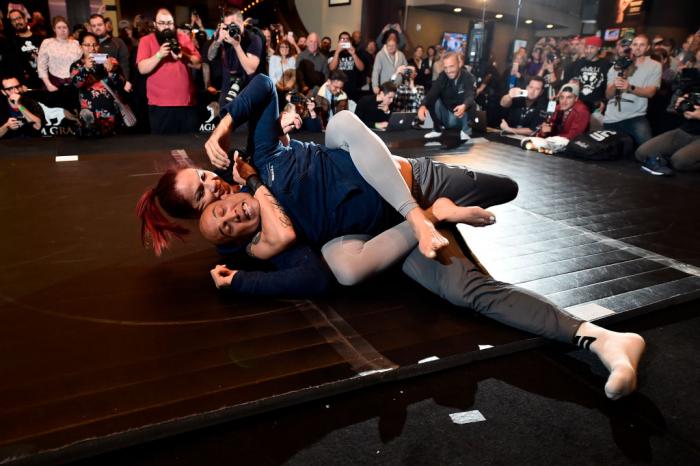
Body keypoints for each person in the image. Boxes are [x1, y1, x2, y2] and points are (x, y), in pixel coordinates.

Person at [193, 75, 645, 401]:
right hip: (403, 229)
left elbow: (263, 87)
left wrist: (223, 126)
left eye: (219, 208)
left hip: (415, 181)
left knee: (350, 126)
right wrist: (241, 281)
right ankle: (602, 339)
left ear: (224, 191)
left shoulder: (265, 154)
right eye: (226, 227)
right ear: (239, 242)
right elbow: (312, 278)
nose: (230, 214)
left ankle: (426, 214)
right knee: (444, 288)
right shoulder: (271, 240)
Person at [136, 8, 202, 134]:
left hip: (186, 103)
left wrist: (183, 55)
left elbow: (198, 64)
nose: (166, 26)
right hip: (160, 106)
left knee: (190, 146)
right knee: (163, 148)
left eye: (169, 23)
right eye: (162, 23)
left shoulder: (183, 37)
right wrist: (159, 55)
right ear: (155, 24)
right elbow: (142, 69)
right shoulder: (146, 40)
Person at [603, 34, 661, 147]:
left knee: (647, 151)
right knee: (609, 155)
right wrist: (615, 85)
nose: (638, 48)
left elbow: (651, 92)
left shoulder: (654, 66)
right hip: (612, 118)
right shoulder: (618, 66)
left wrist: (629, 87)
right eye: (635, 44)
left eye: (642, 45)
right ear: (631, 46)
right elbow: (608, 95)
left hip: (635, 116)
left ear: (648, 47)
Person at [70, 31, 126, 136]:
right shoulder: (77, 65)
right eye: (87, 45)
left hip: (112, 116)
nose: (92, 48)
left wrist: (111, 71)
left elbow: (121, 84)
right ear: (81, 46)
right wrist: (86, 69)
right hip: (90, 118)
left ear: (98, 46)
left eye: (95, 45)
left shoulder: (110, 61)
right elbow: (75, 85)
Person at [207, 7, 263, 110]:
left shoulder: (253, 39)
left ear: (241, 23)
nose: (230, 28)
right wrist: (218, 39)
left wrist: (237, 45)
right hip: (226, 91)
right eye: (227, 25)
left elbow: (250, 69)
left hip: (246, 92)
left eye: (233, 25)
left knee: (243, 125)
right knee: (224, 124)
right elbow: (210, 57)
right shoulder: (224, 37)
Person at [635, 93, 700, 175]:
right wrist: (682, 104)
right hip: (686, 130)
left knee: (679, 162)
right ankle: (671, 157)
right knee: (642, 153)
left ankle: (673, 157)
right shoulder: (694, 84)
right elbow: (677, 109)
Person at [417, 52, 475, 141]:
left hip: (462, 118)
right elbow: (432, 93)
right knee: (435, 99)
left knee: (471, 103)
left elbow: (470, 95)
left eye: (451, 66)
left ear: (459, 64)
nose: (448, 71)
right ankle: (437, 130)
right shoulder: (443, 76)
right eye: (446, 67)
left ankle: (466, 131)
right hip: (448, 118)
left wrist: (464, 106)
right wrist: (423, 105)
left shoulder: (468, 76)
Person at [37, 16, 82, 110]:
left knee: (75, 112)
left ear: (68, 28)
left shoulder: (75, 43)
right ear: (54, 29)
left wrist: (104, 58)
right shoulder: (47, 43)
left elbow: (86, 58)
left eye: (64, 27)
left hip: (73, 85)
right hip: (54, 84)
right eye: (59, 27)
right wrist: (48, 84)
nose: (62, 30)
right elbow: (41, 66)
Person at [88, 14, 131, 91]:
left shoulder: (118, 42)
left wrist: (127, 80)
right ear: (90, 28)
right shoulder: (88, 44)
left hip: (116, 86)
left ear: (105, 25)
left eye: (99, 25)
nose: (97, 28)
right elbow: (87, 60)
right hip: (95, 88)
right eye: (94, 26)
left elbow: (125, 63)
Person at [567, 36, 610, 113]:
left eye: (592, 48)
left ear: (599, 48)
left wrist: (604, 101)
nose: (588, 51)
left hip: (596, 107)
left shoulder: (606, 65)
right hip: (577, 106)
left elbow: (609, 86)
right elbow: (567, 83)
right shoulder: (577, 64)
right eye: (587, 48)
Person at [7, 8, 43, 90]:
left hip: (47, 82)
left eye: (19, 18)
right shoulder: (10, 44)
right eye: (13, 20)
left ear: (25, 19)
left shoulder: (41, 39)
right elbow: (12, 67)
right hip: (28, 87)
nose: (17, 22)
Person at [328, 31, 365, 102]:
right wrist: (337, 52)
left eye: (347, 39)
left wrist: (353, 54)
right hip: (337, 89)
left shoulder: (357, 53)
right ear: (339, 42)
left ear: (350, 42)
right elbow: (332, 68)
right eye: (342, 39)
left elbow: (361, 68)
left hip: (353, 90)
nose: (344, 41)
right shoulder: (333, 53)